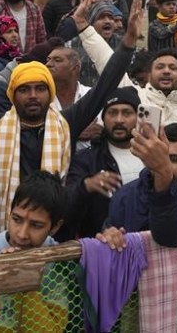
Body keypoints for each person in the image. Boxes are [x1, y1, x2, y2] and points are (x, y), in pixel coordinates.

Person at [0, 0, 142, 227]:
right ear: (13, 95)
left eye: (40, 88)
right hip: (7, 233)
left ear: (50, 92)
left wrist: (128, 42)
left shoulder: (66, 123)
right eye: (24, 89)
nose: (33, 95)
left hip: (58, 231)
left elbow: (104, 86)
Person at [98, 122, 177, 249]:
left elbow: (169, 235)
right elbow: (107, 234)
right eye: (160, 156)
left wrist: (163, 172)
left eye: (174, 159)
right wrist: (110, 237)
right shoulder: (125, 195)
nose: (163, 163)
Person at [62, 87, 144, 240]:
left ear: (138, 117)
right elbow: (65, 206)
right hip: (103, 249)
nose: (119, 120)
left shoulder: (151, 156)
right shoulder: (86, 161)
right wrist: (86, 186)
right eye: (112, 113)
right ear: (104, 117)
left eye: (126, 113)